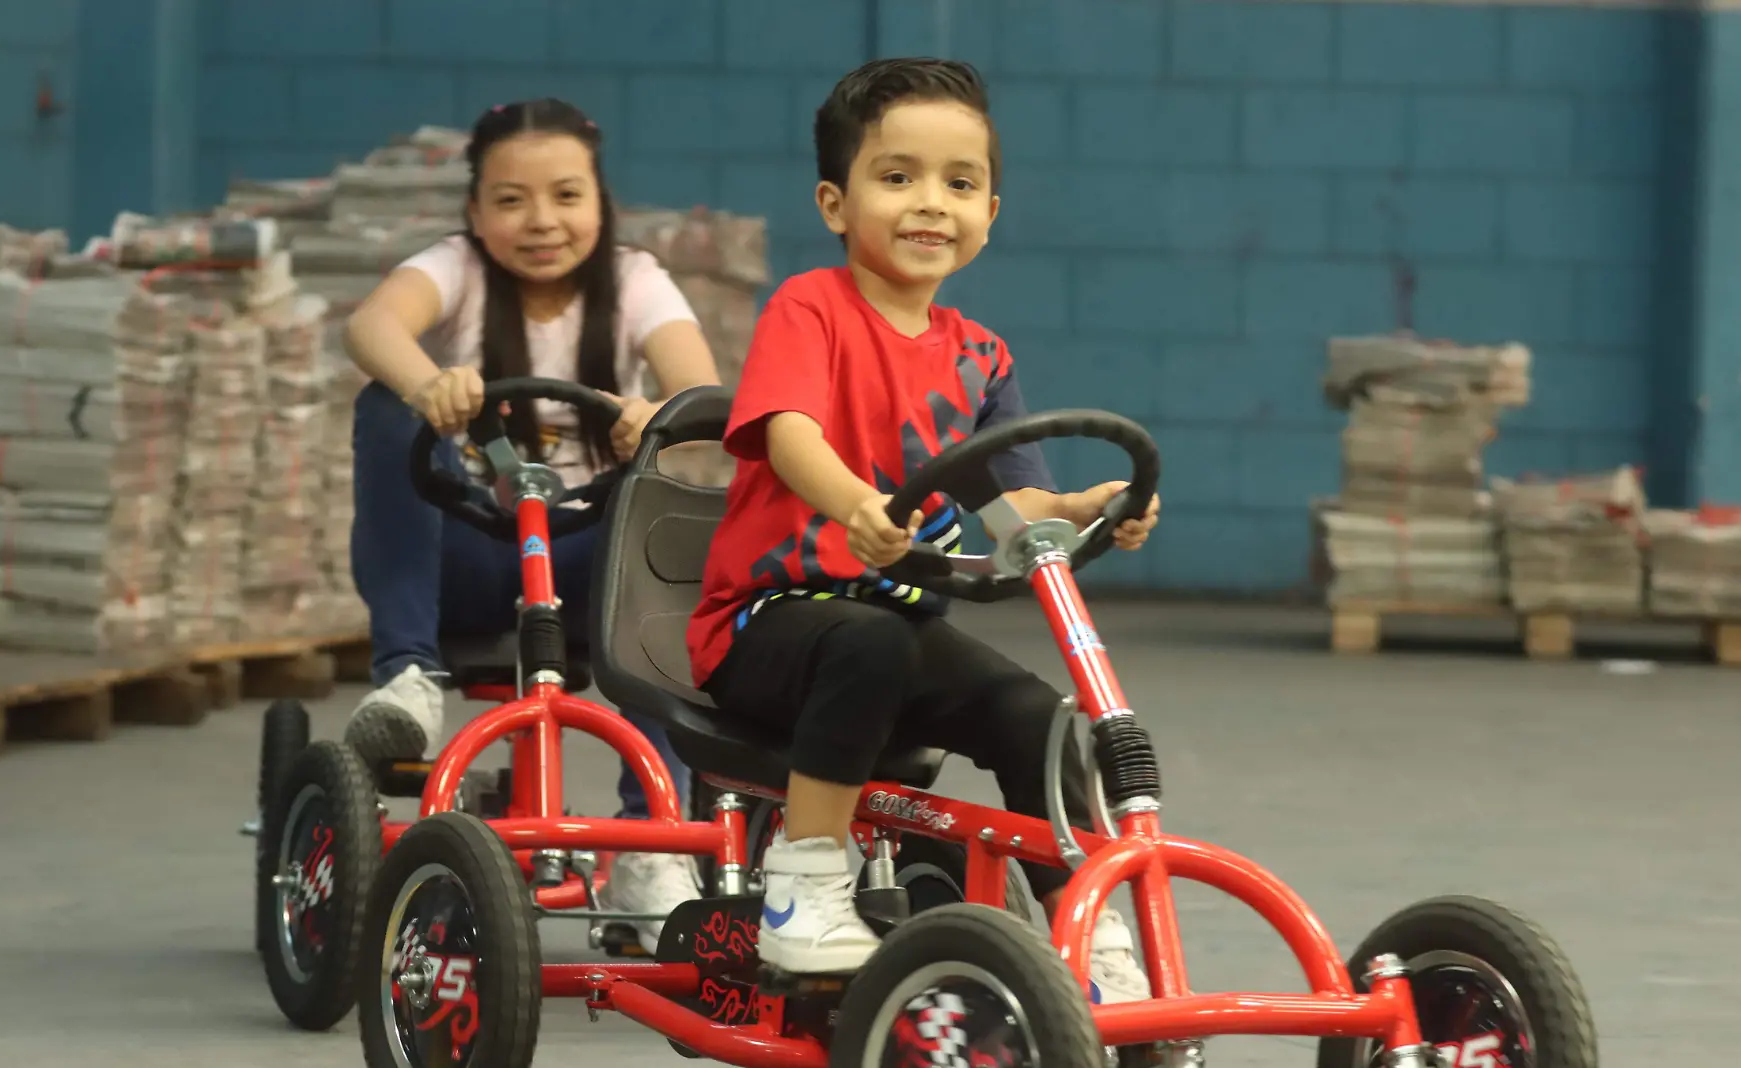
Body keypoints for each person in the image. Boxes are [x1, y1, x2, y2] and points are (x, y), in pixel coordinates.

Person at [685, 58, 1164, 997]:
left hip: (893, 629)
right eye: (896, 177)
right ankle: (804, 882)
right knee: (866, 644)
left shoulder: (982, 356)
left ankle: (1082, 923)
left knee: (1034, 714)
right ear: (836, 202)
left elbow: (1010, 505)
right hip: (770, 624)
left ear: (992, 209)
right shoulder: (810, 309)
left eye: (960, 183)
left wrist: (1082, 509)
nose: (929, 204)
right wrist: (854, 503)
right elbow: (788, 433)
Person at [341, 98, 714, 946]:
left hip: (587, 570)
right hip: (472, 559)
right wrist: (427, 384)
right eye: (511, 201)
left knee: (653, 503)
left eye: (565, 196)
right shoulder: (458, 271)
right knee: (387, 409)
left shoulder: (635, 279)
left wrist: (653, 411)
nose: (541, 222)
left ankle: (652, 838)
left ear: (599, 201)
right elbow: (371, 325)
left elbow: (698, 383)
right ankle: (406, 674)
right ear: (476, 214)